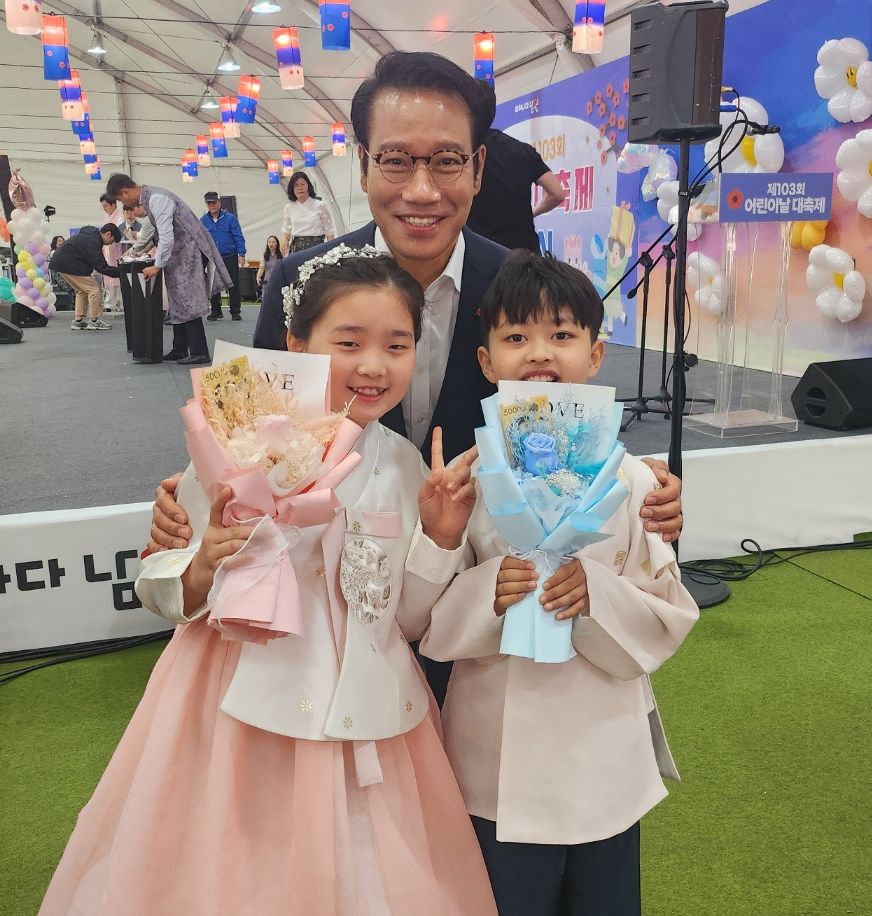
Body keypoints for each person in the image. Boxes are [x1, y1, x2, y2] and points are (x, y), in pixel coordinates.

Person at [0, 247, 510, 916]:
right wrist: (198, 559)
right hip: (228, 727)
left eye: (397, 344)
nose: (373, 364)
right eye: (348, 340)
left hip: (374, 738)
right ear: (296, 343)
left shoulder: (404, 465)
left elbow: (409, 623)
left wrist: (438, 539)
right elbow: (165, 591)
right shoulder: (236, 437)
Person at [149, 52, 682, 567]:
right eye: (396, 161)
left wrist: (635, 486)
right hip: (342, 575)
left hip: (491, 580)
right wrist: (198, 493)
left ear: (477, 169)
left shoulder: (520, 291)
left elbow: (563, 418)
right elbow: (254, 433)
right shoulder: (300, 282)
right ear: (364, 166)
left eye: (447, 161)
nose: (422, 191)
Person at [418, 253, 700, 916]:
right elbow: (425, 619)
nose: (540, 352)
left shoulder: (637, 483)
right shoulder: (465, 479)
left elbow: (667, 613)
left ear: (596, 353)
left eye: (562, 334)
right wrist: (484, 588)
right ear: (486, 361)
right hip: (494, 754)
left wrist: (598, 595)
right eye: (517, 336)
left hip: (599, 749)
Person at [103, 173, 231, 367]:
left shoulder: (157, 199)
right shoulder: (152, 198)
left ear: (125, 192)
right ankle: (180, 348)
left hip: (189, 251)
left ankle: (199, 351)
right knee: (177, 299)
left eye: (121, 199)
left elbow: (166, 235)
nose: (124, 204)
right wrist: (143, 253)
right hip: (179, 254)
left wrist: (157, 265)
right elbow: (156, 235)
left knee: (188, 299)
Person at [465, 83, 567, 253]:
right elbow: (557, 193)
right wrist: (532, 213)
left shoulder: (465, 153)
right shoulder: (522, 150)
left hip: (482, 253)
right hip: (525, 254)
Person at [49, 223, 123, 330]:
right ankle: (95, 320)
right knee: (94, 289)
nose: (110, 244)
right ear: (108, 234)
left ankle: (78, 320)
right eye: (112, 240)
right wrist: (120, 272)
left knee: (82, 290)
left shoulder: (89, 236)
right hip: (69, 264)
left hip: (60, 262)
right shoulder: (93, 241)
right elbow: (100, 266)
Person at [201, 190, 246, 322]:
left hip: (229, 255)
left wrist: (241, 253)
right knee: (212, 284)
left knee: (233, 284)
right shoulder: (203, 221)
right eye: (209, 203)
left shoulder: (230, 218)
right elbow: (200, 240)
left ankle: (235, 312)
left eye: (214, 202)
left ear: (219, 202)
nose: (212, 205)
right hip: (212, 257)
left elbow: (238, 236)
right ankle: (216, 311)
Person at [281, 170, 334, 254]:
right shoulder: (288, 208)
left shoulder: (320, 205)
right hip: (297, 249)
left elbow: (329, 231)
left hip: (317, 247)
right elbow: (286, 230)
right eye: (296, 185)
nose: (300, 188)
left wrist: (332, 250)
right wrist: (284, 239)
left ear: (308, 186)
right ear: (292, 189)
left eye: (302, 184)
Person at [256, 233, 283, 298]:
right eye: (269, 242)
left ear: (277, 244)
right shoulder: (264, 256)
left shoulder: (281, 255)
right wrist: (258, 277)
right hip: (268, 278)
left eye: (273, 242)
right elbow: (261, 268)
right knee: (266, 296)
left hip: (278, 278)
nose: (271, 244)